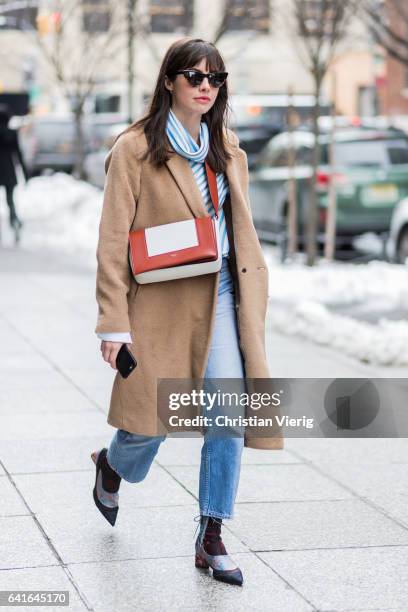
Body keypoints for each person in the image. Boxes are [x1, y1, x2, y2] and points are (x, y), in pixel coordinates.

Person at [91, 37, 283, 587]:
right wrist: (113, 321)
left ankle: (212, 532)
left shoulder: (224, 144)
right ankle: (113, 464)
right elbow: (111, 241)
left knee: (226, 412)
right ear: (170, 80)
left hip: (222, 291)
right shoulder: (135, 148)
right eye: (194, 76)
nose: (205, 87)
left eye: (215, 78)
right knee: (153, 419)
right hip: (160, 298)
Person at [0, 104, 27, 232]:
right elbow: (18, 154)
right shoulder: (11, 134)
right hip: (9, 171)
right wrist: (26, 174)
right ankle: (14, 220)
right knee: (10, 200)